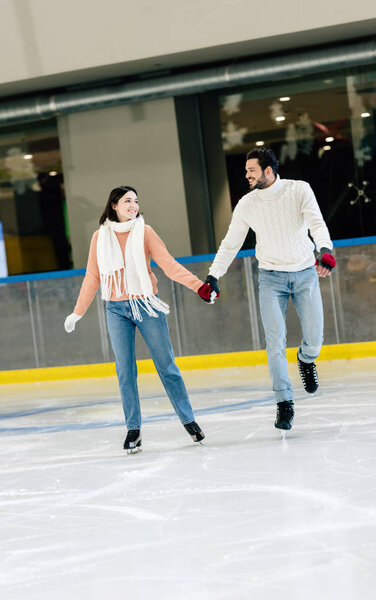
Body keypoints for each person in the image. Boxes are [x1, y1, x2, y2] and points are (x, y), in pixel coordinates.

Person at [64, 185, 219, 453]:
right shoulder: (100, 237)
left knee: (166, 366)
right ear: (114, 205)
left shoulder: (145, 232)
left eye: (136, 201)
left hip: (147, 304)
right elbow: (93, 277)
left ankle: (189, 421)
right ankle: (133, 430)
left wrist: (199, 286)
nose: (133, 205)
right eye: (127, 201)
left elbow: (168, 264)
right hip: (115, 308)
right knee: (125, 371)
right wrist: (78, 312)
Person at [203, 147, 336, 433]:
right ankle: (284, 402)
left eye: (251, 170)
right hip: (271, 278)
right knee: (275, 342)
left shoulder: (299, 189)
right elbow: (231, 243)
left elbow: (316, 223)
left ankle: (306, 359)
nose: (246, 175)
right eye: (246, 170)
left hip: (304, 274)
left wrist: (325, 249)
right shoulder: (247, 204)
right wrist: (214, 275)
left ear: (268, 170)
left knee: (315, 337)